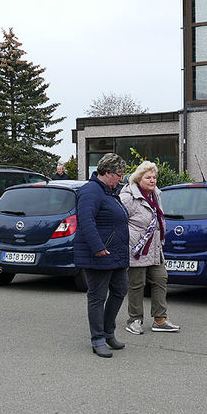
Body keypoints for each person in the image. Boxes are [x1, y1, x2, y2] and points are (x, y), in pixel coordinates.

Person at [73, 153, 129, 358]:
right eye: (118, 175)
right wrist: (97, 247)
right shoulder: (91, 191)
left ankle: (108, 333)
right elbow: (86, 221)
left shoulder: (111, 191)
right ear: (107, 173)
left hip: (116, 254)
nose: (120, 179)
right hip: (99, 253)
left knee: (120, 290)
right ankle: (97, 339)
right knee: (97, 297)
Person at [120, 160, 179, 335]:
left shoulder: (156, 195)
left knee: (161, 279)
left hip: (154, 247)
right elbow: (119, 221)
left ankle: (160, 319)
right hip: (136, 249)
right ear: (139, 179)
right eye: (148, 177)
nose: (152, 180)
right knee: (137, 284)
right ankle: (134, 320)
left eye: (154, 177)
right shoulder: (128, 197)